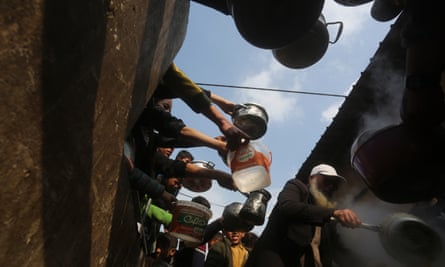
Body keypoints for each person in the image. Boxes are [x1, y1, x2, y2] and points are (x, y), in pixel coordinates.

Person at [245, 163, 369, 267]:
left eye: (334, 185)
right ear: (311, 179)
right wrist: (334, 212)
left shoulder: (327, 218)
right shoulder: (297, 187)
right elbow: (287, 206)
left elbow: (337, 250)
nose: (330, 187)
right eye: (326, 181)